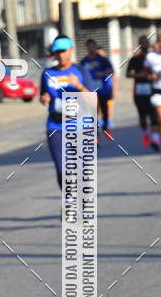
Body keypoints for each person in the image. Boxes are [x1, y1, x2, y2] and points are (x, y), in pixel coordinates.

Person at [40, 35, 89, 189]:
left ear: (71, 50)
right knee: (63, 170)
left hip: (79, 125)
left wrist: (79, 86)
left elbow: (93, 101)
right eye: (57, 51)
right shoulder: (47, 73)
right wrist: (44, 99)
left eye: (64, 51)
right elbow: (42, 97)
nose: (61, 55)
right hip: (55, 125)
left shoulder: (81, 70)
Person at [126, 35, 158, 150]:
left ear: (149, 44)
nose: (144, 45)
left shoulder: (153, 57)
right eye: (142, 43)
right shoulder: (135, 58)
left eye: (146, 42)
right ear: (139, 45)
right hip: (139, 91)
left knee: (154, 114)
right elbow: (128, 74)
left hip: (153, 89)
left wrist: (153, 76)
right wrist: (140, 75)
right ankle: (147, 130)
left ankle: (155, 138)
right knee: (142, 118)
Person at [80, 39, 116, 138]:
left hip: (103, 89)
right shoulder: (84, 61)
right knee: (92, 112)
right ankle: (96, 136)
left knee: (104, 111)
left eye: (93, 46)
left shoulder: (103, 60)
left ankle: (105, 127)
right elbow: (80, 74)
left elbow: (111, 70)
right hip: (90, 91)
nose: (91, 49)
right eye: (89, 47)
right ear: (86, 48)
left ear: (96, 47)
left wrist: (102, 73)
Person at [144, 32, 161, 160]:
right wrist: (151, 76)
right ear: (157, 43)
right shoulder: (151, 57)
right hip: (158, 91)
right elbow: (146, 73)